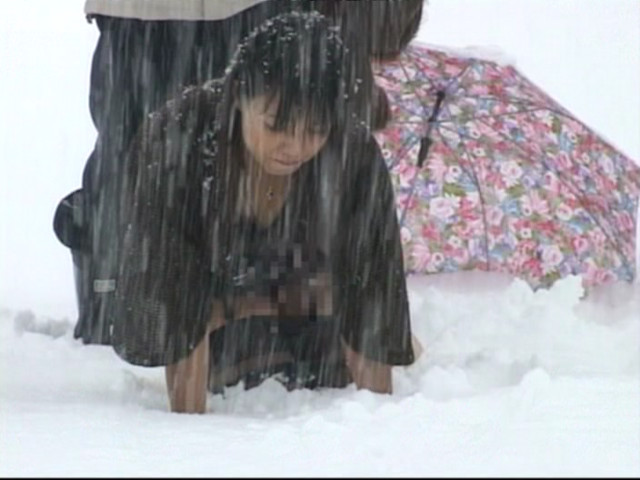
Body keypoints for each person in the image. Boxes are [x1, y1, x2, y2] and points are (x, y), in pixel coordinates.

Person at [111, 12, 415, 414]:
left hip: (313, 310)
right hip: (211, 309)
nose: (293, 147)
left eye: (314, 131)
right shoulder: (178, 138)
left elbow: (372, 285)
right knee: (201, 327)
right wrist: (186, 435)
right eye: (275, 126)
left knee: (326, 356)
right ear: (238, 96)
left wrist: (377, 426)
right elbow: (170, 288)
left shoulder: (352, 153)